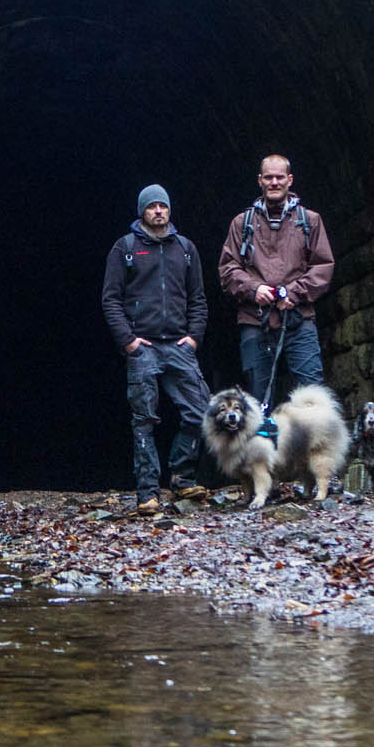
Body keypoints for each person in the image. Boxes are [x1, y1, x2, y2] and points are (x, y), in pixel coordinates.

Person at [101, 184, 211, 512]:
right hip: (143, 346)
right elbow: (111, 299)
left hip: (178, 344)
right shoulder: (126, 248)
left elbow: (198, 299)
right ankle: (148, 491)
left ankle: (182, 476)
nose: (159, 211)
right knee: (144, 418)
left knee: (201, 409)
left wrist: (194, 337)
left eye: (163, 205)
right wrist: (129, 341)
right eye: (152, 207)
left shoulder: (186, 249)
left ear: (170, 210)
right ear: (142, 212)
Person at [219, 155, 336, 408]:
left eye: (279, 177)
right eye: (268, 177)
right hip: (255, 320)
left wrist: (292, 294)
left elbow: (323, 267)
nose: (274, 182)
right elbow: (228, 269)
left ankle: (313, 447)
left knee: (313, 395)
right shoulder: (242, 224)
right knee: (256, 401)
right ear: (259, 181)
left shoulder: (310, 221)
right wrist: (254, 289)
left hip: (298, 320)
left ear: (289, 180)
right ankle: (265, 446)